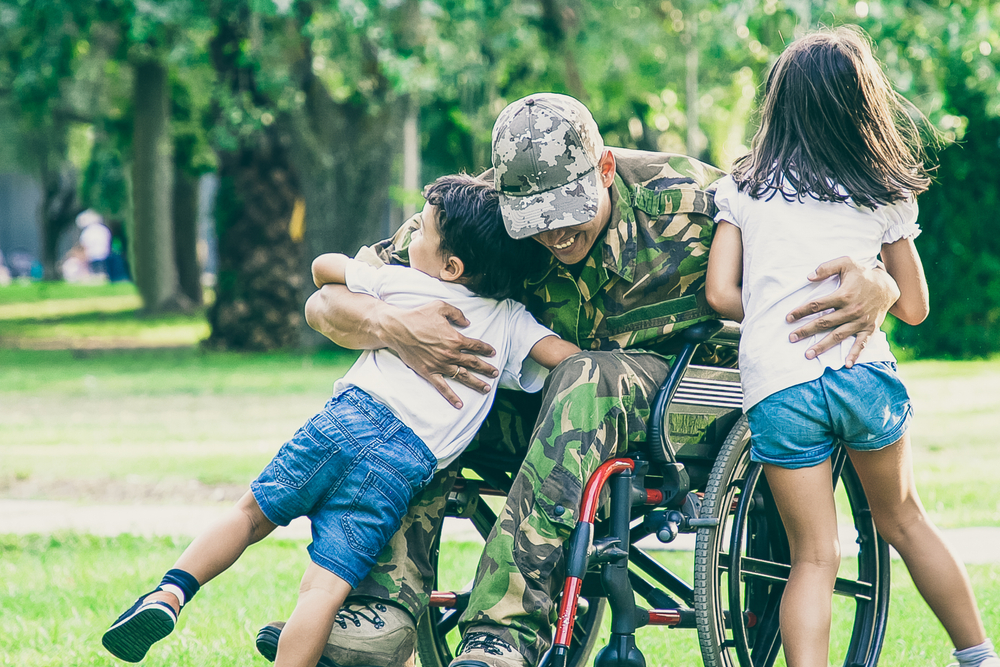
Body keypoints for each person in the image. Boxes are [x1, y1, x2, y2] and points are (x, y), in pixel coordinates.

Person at [262, 93, 902, 667]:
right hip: (535, 409)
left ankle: (503, 634)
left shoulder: (687, 200)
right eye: (535, 219)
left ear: (603, 169)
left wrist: (880, 279)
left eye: (569, 209)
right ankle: (385, 606)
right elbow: (327, 301)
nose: (555, 232)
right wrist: (393, 325)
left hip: (674, 401)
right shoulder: (476, 215)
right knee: (420, 391)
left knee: (582, 376)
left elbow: (804, 249)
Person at [100, 175, 580, 667]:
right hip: (397, 470)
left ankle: (170, 593)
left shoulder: (406, 283)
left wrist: (361, 274)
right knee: (323, 590)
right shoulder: (510, 322)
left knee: (248, 515)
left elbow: (322, 269)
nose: (410, 238)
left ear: (451, 266)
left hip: (343, 424)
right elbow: (569, 360)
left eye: (421, 233)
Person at [705, 27, 998, 667]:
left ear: (778, 105)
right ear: (861, 107)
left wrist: (777, 304)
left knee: (813, 554)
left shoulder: (746, 187)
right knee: (905, 521)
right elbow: (915, 307)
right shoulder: (879, 189)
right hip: (862, 376)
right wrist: (877, 285)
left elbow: (721, 293)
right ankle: (977, 656)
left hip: (781, 385)